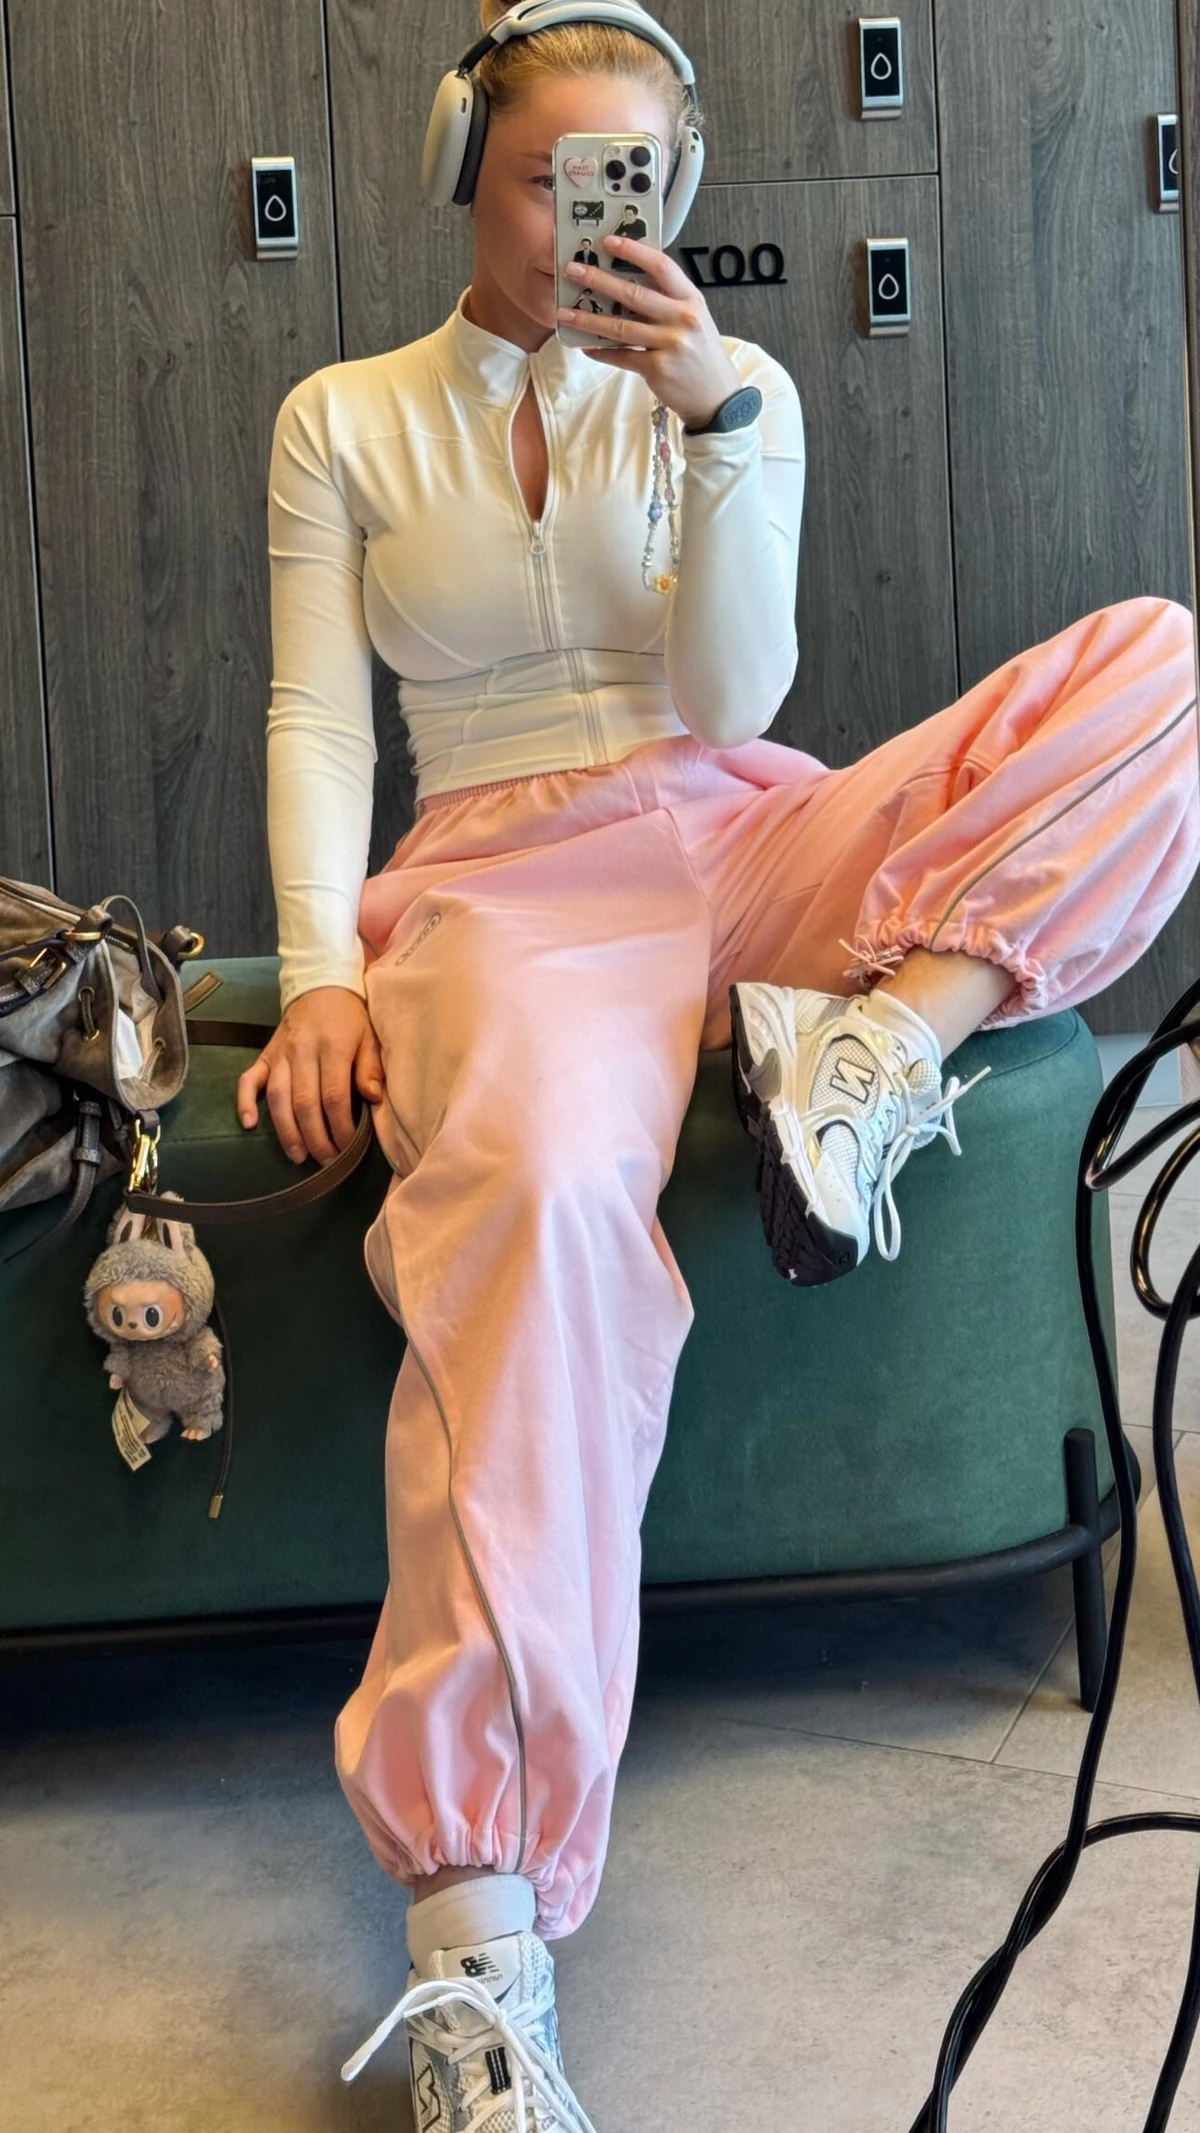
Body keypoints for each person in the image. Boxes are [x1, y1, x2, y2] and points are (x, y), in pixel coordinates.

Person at [237, 3, 1200, 2125]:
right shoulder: (343, 418)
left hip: (741, 828)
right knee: (538, 1199)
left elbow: (738, 693)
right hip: (504, 883)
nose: (589, 224)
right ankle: (480, 1939)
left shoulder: (722, 384)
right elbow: (315, 719)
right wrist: (318, 974)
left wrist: (722, 417)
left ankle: (871, 1055)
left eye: (633, 185)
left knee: (1161, 668)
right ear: (464, 171)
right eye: (548, 182)